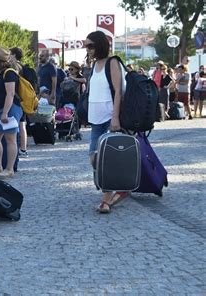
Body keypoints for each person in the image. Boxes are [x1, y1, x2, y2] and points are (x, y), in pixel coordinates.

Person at [84, 31, 128, 214]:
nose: (88, 49)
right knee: (94, 157)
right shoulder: (94, 65)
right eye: (86, 46)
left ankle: (106, 200)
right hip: (95, 119)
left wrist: (115, 117)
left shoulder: (113, 62)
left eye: (91, 45)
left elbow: (119, 91)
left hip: (110, 117)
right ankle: (118, 189)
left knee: (106, 160)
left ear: (100, 45)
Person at [0, 47, 23, 178]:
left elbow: (10, 94)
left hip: (9, 109)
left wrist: (5, 113)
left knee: (10, 139)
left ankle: (10, 168)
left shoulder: (9, 73)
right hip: (0, 110)